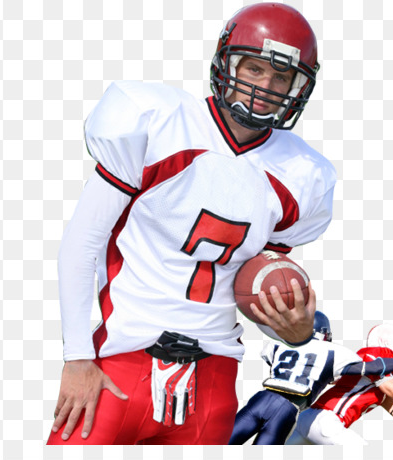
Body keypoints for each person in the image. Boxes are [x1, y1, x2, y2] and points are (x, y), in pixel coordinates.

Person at [48, 3, 337, 445]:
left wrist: (294, 333)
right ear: (225, 63)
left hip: (214, 380)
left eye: (281, 78)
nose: (265, 86)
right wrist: (76, 357)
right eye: (254, 68)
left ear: (300, 88)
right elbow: (81, 243)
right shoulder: (158, 122)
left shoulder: (302, 173)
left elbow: (251, 285)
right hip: (118, 363)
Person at [229, 313, 393, 445]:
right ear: (324, 333)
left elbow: (272, 359)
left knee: (222, 444)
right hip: (287, 409)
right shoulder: (333, 352)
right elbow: (373, 367)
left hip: (261, 399)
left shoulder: (279, 344)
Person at [286, 324, 393, 445]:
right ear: (387, 345)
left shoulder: (381, 380)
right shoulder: (375, 358)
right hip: (325, 420)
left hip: (309, 420)